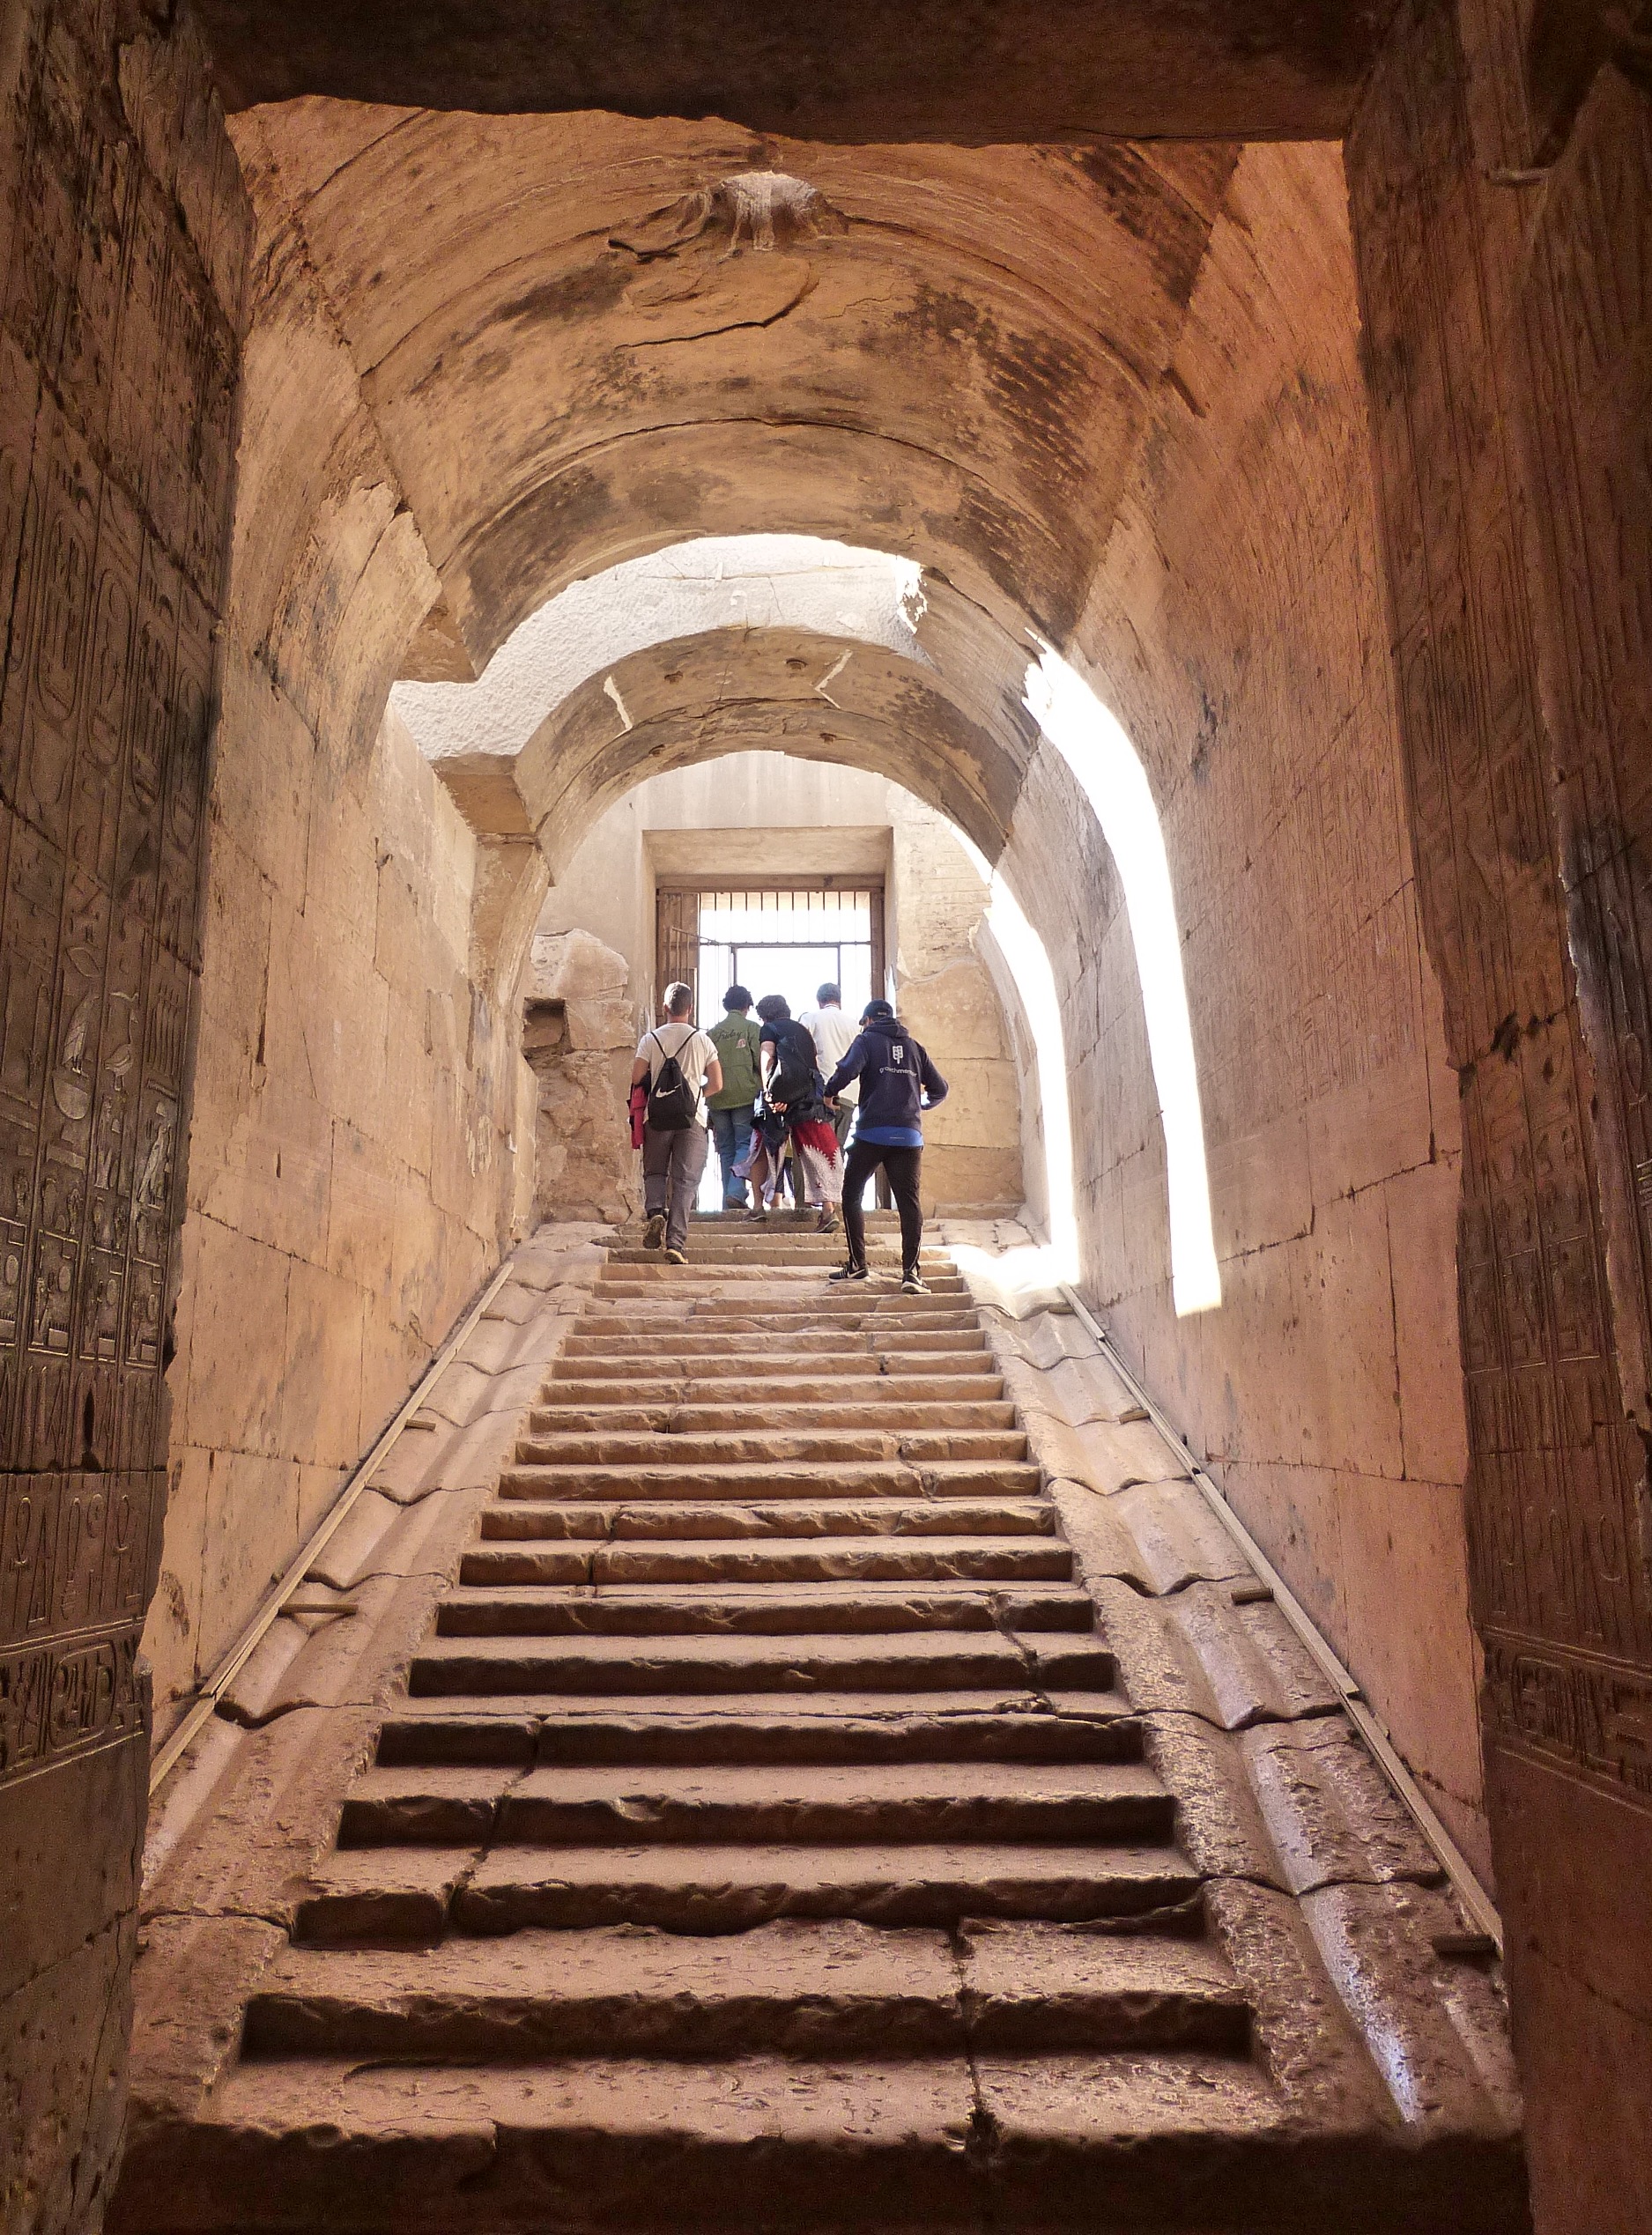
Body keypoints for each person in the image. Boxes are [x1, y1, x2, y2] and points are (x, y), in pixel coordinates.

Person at [822, 997, 947, 1292]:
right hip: (909, 1135)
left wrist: (829, 1093)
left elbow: (847, 1070)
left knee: (852, 1194)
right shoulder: (915, 1047)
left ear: (868, 1021)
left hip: (872, 1133)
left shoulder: (866, 1040)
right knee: (909, 1203)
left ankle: (857, 1265)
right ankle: (911, 1273)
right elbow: (940, 1089)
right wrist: (922, 1106)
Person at [630, 982, 721, 1263]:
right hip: (692, 1118)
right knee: (685, 1181)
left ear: (665, 1008)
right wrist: (695, 1095)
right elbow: (717, 1083)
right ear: (690, 1008)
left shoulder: (650, 1039)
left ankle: (656, 1211)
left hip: (657, 1116)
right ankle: (675, 1244)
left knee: (656, 1171)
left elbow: (636, 1077)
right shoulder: (703, 1040)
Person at [754, 993, 842, 1232]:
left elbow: (767, 1057)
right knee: (815, 1149)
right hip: (808, 1096)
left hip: (779, 1097)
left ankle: (758, 1207)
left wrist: (771, 1093)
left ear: (765, 1016)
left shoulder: (769, 1029)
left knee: (763, 1147)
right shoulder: (803, 1030)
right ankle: (828, 1209)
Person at [706, 984, 763, 1210]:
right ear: (747, 1006)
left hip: (717, 1098)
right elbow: (760, 1061)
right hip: (745, 1096)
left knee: (726, 1148)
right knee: (743, 1144)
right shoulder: (751, 1028)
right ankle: (736, 1192)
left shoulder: (712, 1033)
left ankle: (728, 1200)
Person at [799, 981, 859, 1154]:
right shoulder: (854, 1024)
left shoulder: (810, 1019)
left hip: (821, 1091)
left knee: (821, 1150)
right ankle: (838, 1173)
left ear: (819, 1001)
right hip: (849, 1093)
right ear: (839, 1000)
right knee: (838, 1149)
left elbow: (800, 1051)